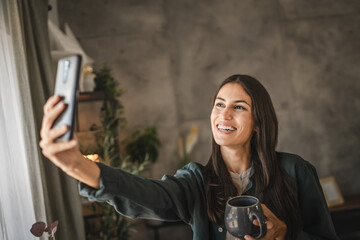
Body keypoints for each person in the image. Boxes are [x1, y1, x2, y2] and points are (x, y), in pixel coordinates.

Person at [40, 74, 339, 240]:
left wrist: (288, 235)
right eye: (219, 104)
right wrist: (79, 165)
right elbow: (147, 195)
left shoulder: (296, 171)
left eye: (239, 107)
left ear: (259, 122)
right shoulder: (196, 182)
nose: (223, 113)